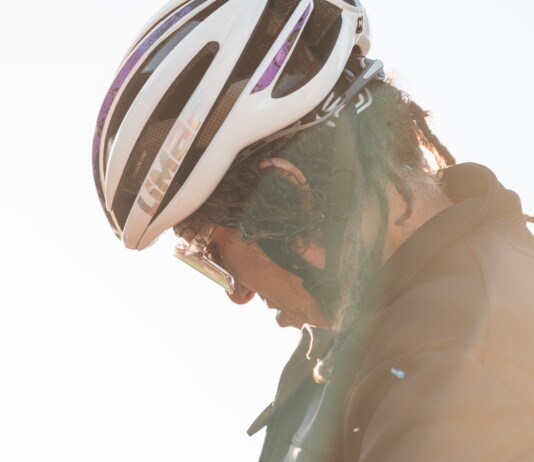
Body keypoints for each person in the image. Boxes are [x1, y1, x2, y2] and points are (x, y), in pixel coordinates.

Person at [93, 0, 534, 460]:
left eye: (214, 254)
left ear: (287, 191)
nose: (239, 294)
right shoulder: (377, 330)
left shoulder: (458, 375)